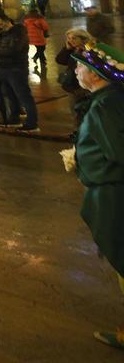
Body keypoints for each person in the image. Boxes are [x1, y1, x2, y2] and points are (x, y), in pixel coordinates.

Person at [67, 42, 124, 349]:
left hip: (113, 194)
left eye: (80, 66)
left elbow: (119, 152)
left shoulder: (104, 107)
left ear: (96, 74)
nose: (76, 71)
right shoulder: (111, 99)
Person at [0, 10, 39, 131]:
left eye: (0, 24)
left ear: (7, 22)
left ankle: (32, 123)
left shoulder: (18, 33)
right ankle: (14, 118)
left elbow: (13, 50)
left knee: (24, 96)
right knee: (9, 95)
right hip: (2, 68)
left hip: (16, 69)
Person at [57, 28, 96, 133]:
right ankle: (79, 134)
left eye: (74, 38)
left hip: (85, 87)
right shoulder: (72, 49)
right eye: (69, 38)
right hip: (73, 87)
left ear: (83, 38)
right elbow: (60, 60)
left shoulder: (90, 48)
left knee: (88, 113)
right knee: (75, 113)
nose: (71, 41)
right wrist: (67, 48)